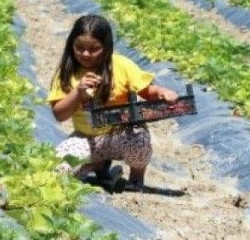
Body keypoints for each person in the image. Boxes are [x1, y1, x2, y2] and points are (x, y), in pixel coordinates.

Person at [47, 14, 177, 191]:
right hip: (86, 138)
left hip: (120, 134)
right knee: (60, 171)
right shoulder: (67, 73)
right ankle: (98, 164)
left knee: (138, 137)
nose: (85, 54)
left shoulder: (121, 65)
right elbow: (59, 114)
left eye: (94, 49)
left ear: (106, 47)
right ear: (71, 45)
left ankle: (136, 178)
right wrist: (78, 92)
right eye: (79, 48)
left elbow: (147, 90)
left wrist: (163, 93)